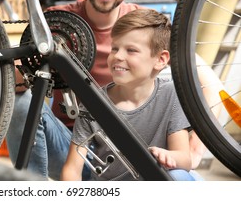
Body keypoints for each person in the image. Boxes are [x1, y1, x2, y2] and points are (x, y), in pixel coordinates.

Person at [6, 0, 215, 180]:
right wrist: (28, 67)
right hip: (74, 148)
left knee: (188, 183)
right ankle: (28, 189)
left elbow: (209, 86)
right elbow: (15, 77)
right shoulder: (58, 22)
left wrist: (191, 154)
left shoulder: (144, 28)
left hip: (135, 154)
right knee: (19, 104)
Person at [61, 9, 196, 181]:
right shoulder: (92, 103)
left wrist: (168, 156)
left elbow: (185, 160)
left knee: (181, 177)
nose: (118, 56)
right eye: (114, 48)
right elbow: (72, 169)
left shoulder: (171, 95)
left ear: (161, 60)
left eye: (131, 50)